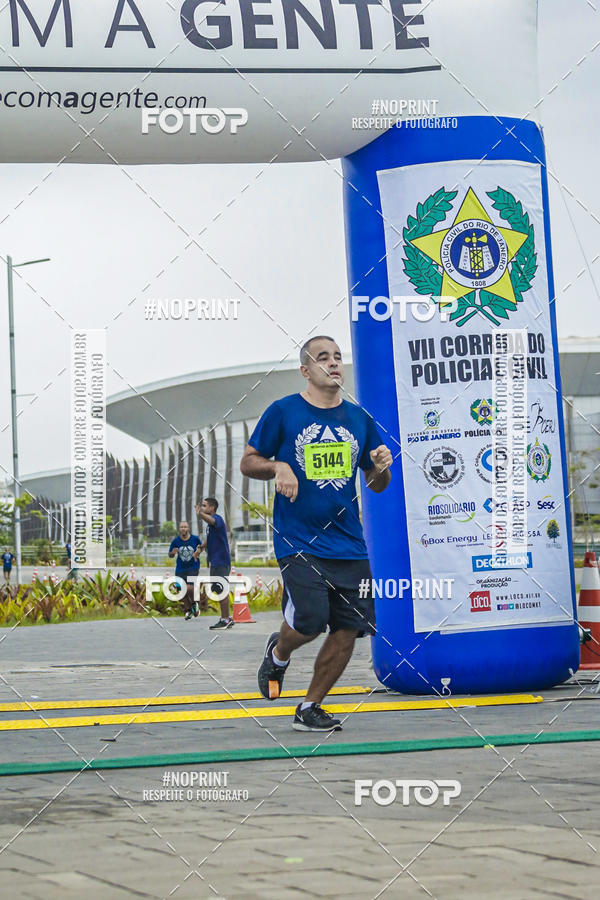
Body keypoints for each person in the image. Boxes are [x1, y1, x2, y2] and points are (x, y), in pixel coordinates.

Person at [240, 335, 393, 732]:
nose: (334, 363)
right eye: (323, 357)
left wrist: (381, 467)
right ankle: (278, 653)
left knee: (349, 628)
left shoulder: (359, 419)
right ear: (305, 370)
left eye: (338, 357)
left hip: (349, 544)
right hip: (299, 540)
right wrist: (278, 467)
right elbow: (248, 462)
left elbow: (377, 484)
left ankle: (310, 707)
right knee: (309, 620)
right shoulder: (284, 411)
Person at [195, 498, 233, 630]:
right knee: (219, 589)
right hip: (216, 562)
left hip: (221, 561)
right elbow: (209, 538)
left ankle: (225, 619)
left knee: (221, 590)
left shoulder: (217, 519)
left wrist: (200, 514)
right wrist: (200, 548)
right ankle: (227, 618)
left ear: (212, 508)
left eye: (204, 506)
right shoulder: (210, 526)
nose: (202, 507)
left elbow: (212, 520)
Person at [168, 522, 202, 620]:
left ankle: (195, 603)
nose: (183, 528)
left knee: (189, 587)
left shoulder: (195, 539)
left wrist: (199, 551)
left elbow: (202, 547)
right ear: (179, 529)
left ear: (188, 528)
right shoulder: (176, 541)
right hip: (180, 568)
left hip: (193, 567)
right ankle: (189, 610)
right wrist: (173, 553)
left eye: (185, 527)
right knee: (180, 589)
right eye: (181, 527)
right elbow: (170, 555)